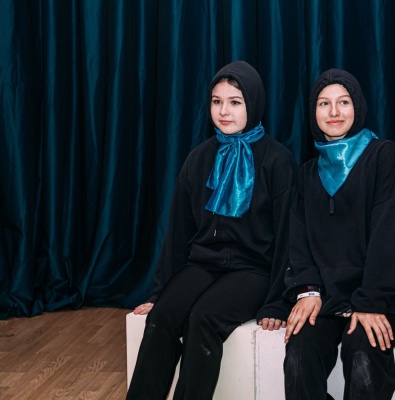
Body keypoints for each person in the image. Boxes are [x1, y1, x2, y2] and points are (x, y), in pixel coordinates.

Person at [126, 61, 296, 400]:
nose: (224, 111)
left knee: (203, 319)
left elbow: (288, 238)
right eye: (216, 101)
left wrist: (278, 302)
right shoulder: (199, 157)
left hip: (254, 269)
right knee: (161, 318)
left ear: (253, 103)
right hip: (204, 264)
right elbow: (178, 232)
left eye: (235, 102)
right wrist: (160, 292)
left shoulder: (278, 160)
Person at [282, 68, 395, 400]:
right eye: (324, 103)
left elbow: (388, 235)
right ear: (313, 112)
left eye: (344, 102)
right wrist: (308, 290)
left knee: (362, 352)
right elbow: (298, 241)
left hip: (385, 293)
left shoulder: (384, 155)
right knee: (299, 354)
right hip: (330, 294)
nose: (334, 112)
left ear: (358, 106)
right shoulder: (306, 174)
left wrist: (372, 300)